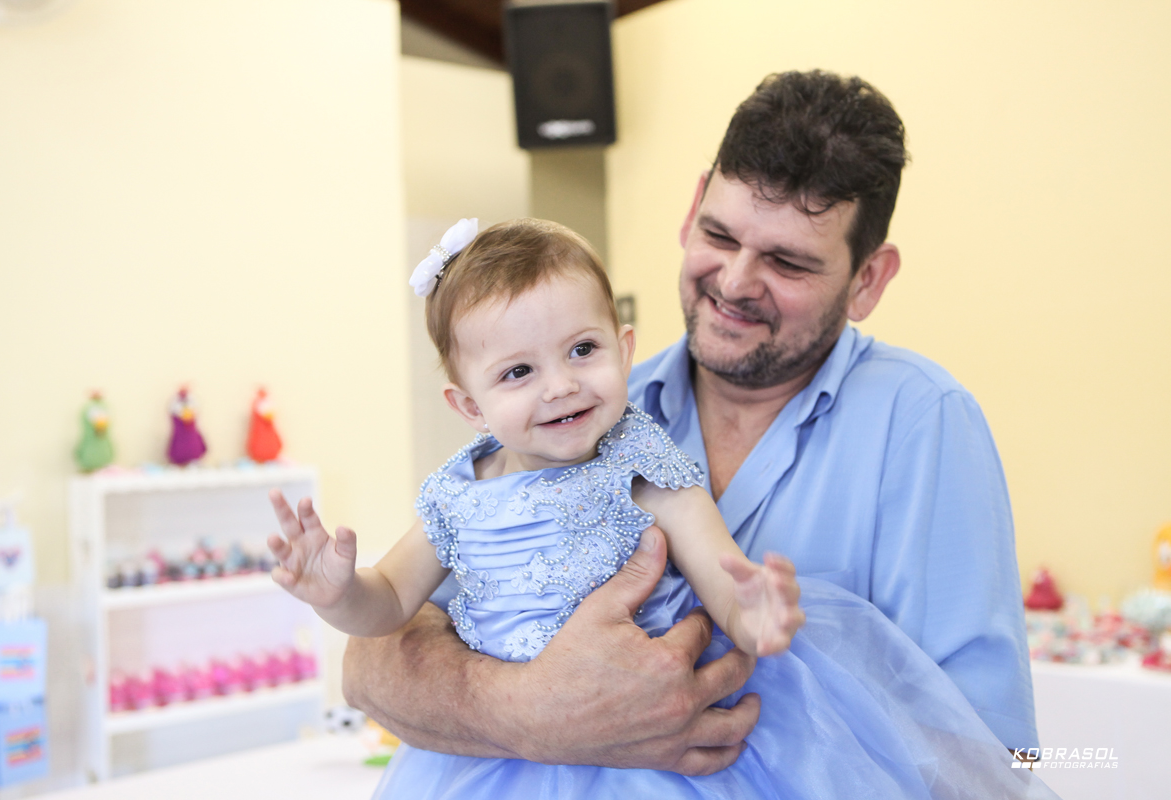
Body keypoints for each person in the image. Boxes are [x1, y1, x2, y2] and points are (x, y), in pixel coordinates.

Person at [341, 70, 1038, 774]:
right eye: (719, 234)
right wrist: (529, 710)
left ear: (868, 280)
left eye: (788, 262)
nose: (735, 282)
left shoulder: (923, 426)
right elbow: (373, 660)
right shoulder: (581, 413)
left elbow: (991, 752)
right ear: (691, 209)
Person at [271, 217, 1055, 798]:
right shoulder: (455, 495)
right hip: (487, 763)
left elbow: (719, 566)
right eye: (517, 372)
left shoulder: (643, 460)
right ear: (467, 405)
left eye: (582, 351)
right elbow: (388, 607)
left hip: (659, 757)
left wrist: (756, 614)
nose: (561, 385)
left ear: (622, 343)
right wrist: (338, 591)